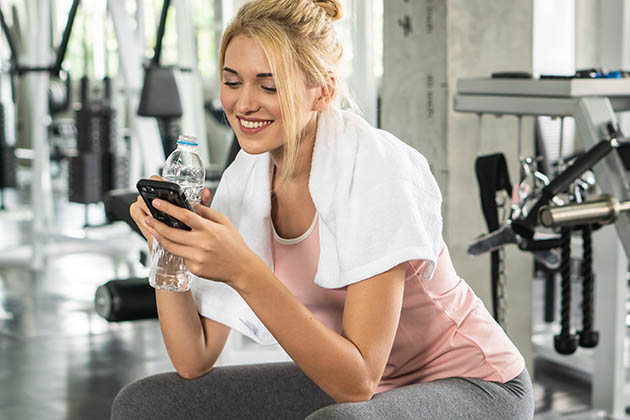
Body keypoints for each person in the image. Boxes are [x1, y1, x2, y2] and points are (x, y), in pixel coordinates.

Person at [113, 0, 535, 419]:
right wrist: (166, 249)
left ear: (324, 91)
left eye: (269, 85)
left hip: (476, 385)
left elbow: (356, 383)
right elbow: (194, 358)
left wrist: (243, 269)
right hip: (368, 389)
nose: (243, 104)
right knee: (146, 405)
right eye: (232, 82)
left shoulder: (376, 171)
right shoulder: (247, 177)